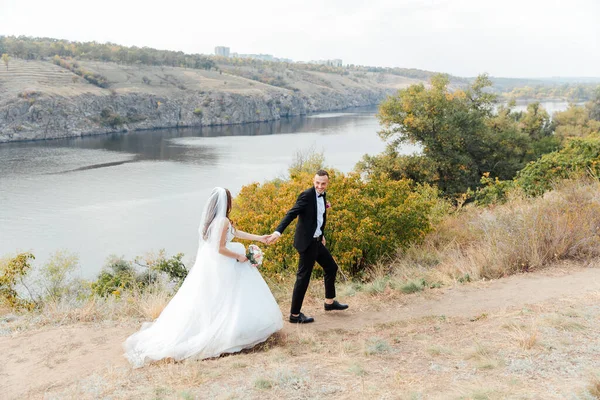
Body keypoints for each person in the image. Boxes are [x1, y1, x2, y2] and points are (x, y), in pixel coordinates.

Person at [123, 187, 283, 368]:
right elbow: (220, 248)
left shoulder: (214, 222)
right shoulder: (221, 221)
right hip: (227, 265)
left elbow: (236, 233)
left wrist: (259, 238)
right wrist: (239, 256)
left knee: (216, 300)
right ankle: (229, 333)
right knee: (228, 300)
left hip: (219, 266)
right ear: (226, 202)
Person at [266, 169, 348, 324]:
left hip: (317, 241)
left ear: (327, 183)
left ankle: (329, 303)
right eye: (317, 183)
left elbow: (319, 217)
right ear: (313, 181)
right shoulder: (306, 195)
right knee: (303, 278)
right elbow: (291, 214)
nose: (320, 186)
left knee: (331, 267)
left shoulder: (323, 196)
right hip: (307, 243)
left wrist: (321, 234)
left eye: (323, 183)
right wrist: (278, 232)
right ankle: (294, 315)